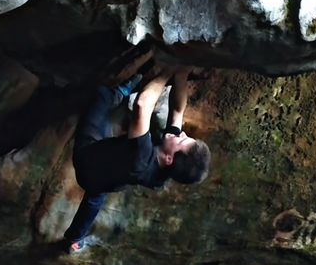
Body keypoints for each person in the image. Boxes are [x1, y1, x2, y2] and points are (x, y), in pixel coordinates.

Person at [63, 63, 212, 253]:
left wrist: (168, 69)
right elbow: (177, 112)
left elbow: (142, 105)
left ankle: (120, 92)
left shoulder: (142, 155)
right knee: (94, 197)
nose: (181, 134)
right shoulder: (168, 167)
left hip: (87, 157)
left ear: (169, 158)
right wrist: (182, 72)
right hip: (106, 180)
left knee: (101, 95)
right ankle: (75, 239)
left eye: (182, 141)